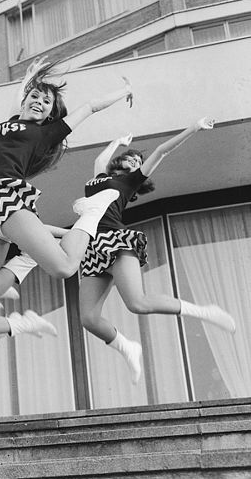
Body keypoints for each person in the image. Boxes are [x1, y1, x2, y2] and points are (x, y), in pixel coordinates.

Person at [0, 56, 132, 337]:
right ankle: (26, 265)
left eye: (46, 102)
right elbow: (21, 100)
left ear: (50, 114)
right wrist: (28, 78)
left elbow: (90, 106)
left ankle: (92, 214)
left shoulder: (46, 133)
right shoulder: (11, 122)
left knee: (65, 267)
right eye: (35, 96)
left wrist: (124, 91)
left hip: (7, 198)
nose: (38, 102)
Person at [78, 119, 236, 384]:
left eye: (138, 162)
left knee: (137, 303)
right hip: (92, 248)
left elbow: (162, 150)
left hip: (115, 241)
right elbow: (99, 161)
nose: (134, 162)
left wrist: (194, 128)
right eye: (131, 159)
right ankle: (128, 347)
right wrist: (117, 142)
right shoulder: (98, 179)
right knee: (89, 318)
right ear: (119, 162)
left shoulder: (129, 183)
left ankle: (204, 311)